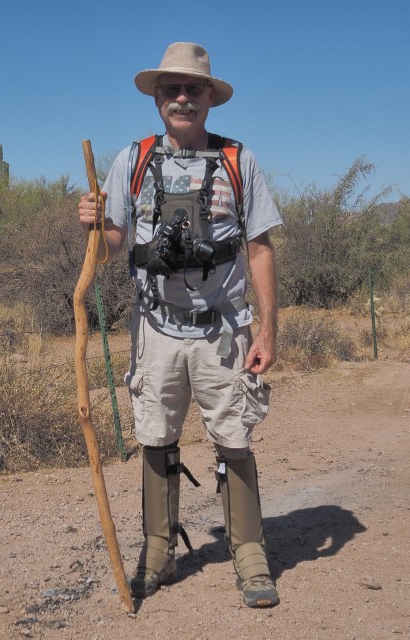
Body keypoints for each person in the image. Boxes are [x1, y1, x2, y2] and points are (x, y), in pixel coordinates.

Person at [78, 42, 282, 608]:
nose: (182, 97)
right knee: (154, 434)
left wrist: (267, 329)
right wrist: (95, 226)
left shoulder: (240, 162)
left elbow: (260, 246)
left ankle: (249, 553)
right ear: (158, 99)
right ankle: (157, 552)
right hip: (156, 329)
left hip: (224, 329)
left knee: (234, 436)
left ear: (210, 99)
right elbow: (116, 243)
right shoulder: (132, 160)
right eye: (172, 89)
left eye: (193, 89)